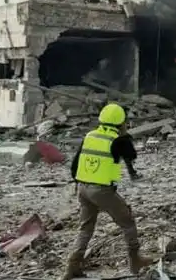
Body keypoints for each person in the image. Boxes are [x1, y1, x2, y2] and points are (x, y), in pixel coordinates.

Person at [61, 103, 153, 280]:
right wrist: (125, 136)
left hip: (83, 188)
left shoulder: (90, 136)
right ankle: (135, 261)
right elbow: (132, 155)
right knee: (128, 222)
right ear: (121, 122)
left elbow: (75, 165)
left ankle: (72, 266)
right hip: (101, 190)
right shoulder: (118, 140)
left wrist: (79, 182)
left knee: (85, 228)